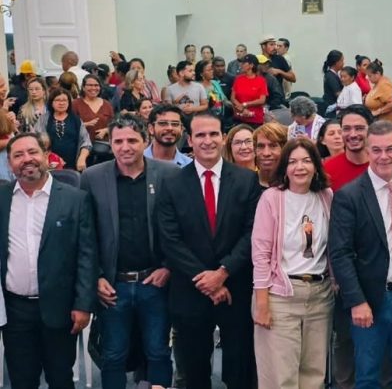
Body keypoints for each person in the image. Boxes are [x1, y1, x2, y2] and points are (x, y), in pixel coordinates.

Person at [156, 112, 261, 389]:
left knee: (240, 371)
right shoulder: (172, 183)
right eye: (200, 135)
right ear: (189, 140)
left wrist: (223, 272)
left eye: (213, 134)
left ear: (223, 137)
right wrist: (207, 280)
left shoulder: (246, 180)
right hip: (191, 290)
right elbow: (170, 240)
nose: (208, 140)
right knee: (195, 374)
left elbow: (252, 233)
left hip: (236, 288)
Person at [329, 120, 392, 389]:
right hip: (371, 298)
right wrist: (357, 301)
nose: (384, 156)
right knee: (368, 374)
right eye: (376, 150)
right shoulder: (349, 196)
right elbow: (340, 253)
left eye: (390, 149)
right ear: (368, 151)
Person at [81, 114, 175, 389]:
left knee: (158, 351)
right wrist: (97, 276)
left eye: (132, 140)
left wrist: (168, 266)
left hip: (155, 282)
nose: (125, 147)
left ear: (145, 140)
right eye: (118, 141)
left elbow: (181, 228)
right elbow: (86, 235)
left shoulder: (169, 174)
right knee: (113, 355)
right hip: (113, 285)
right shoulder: (92, 177)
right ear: (110, 144)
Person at [0, 132, 96, 388]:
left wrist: (83, 304)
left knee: (60, 378)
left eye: (32, 152)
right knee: (22, 380)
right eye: (18, 155)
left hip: (60, 308)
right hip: (14, 310)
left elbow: (87, 255)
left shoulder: (75, 199)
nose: (26, 159)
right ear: (10, 163)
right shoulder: (2, 198)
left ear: (46, 155)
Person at [252, 138, 335, 388]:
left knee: (314, 374)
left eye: (307, 161)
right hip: (280, 296)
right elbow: (261, 254)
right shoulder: (272, 198)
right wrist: (262, 304)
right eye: (293, 162)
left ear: (316, 166)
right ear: (285, 168)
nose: (300, 167)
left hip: (320, 295)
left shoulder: (326, 196)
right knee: (281, 377)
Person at [45, 88, 92, 171]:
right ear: (51, 102)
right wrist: (47, 157)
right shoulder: (44, 119)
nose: (61, 103)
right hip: (49, 164)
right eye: (57, 100)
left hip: (73, 165)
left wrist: (82, 158)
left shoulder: (76, 119)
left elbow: (86, 141)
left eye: (64, 100)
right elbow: (37, 141)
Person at [73, 74, 114, 141]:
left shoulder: (107, 104)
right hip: (81, 144)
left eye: (96, 85)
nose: (93, 88)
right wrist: (84, 125)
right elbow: (69, 125)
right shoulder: (75, 104)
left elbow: (114, 125)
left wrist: (106, 130)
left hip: (103, 144)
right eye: (90, 85)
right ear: (83, 87)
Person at [232, 54, 268, 127]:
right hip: (239, 119)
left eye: (244, 63)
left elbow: (262, 100)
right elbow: (233, 98)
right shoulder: (238, 79)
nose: (241, 65)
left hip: (255, 120)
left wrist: (245, 104)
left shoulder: (261, 81)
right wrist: (242, 109)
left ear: (251, 65)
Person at [254, 122, 289, 188]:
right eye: (261, 146)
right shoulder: (247, 183)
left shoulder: (293, 185)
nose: (266, 153)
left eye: (273, 146)